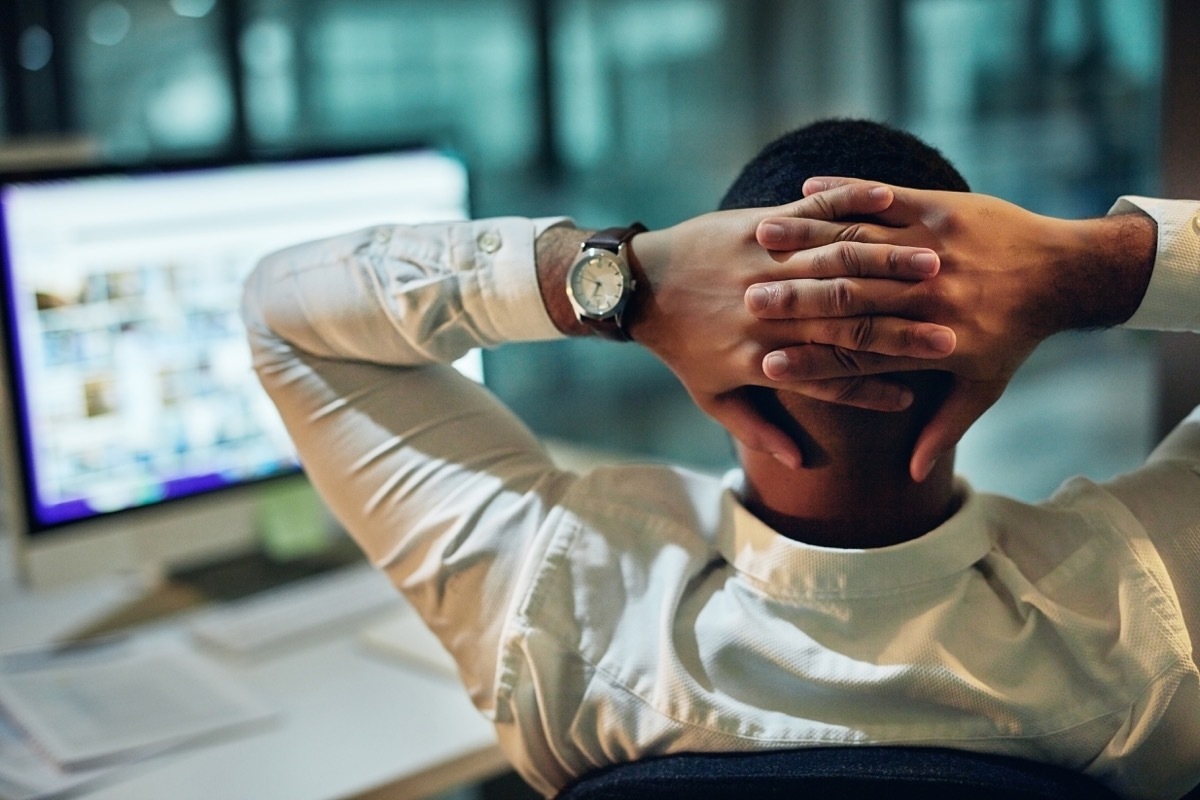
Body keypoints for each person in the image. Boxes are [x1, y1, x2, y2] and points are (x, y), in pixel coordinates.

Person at [242, 119, 1200, 798]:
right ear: (975, 382)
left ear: (719, 381)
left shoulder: (554, 603)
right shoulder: (1146, 619)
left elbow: (284, 315)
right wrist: (1087, 266)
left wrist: (620, 279)